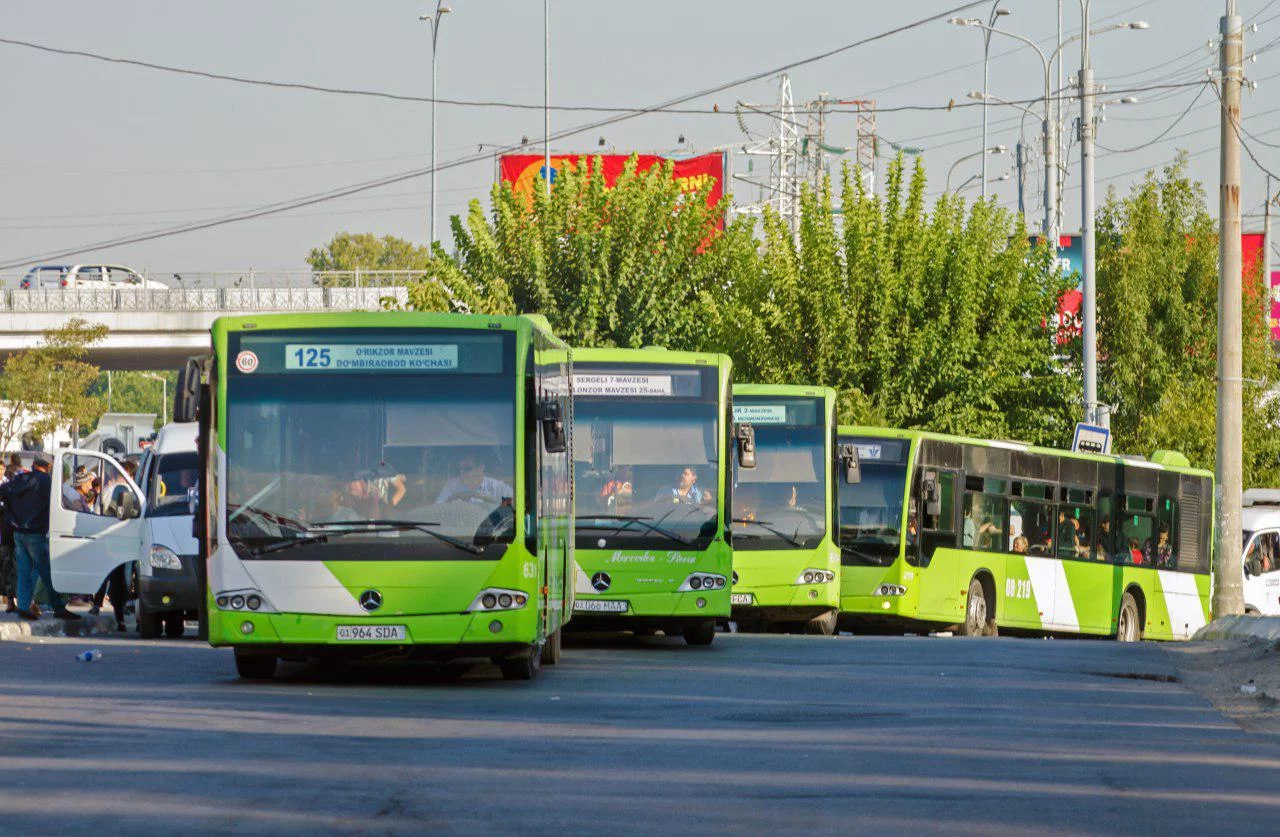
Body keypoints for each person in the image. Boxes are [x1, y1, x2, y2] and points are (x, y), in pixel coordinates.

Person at [0, 454, 79, 622]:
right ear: (48, 467)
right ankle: (58, 607)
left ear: (34, 464)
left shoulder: (20, 479)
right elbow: (63, 505)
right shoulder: (47, 483)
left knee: (24, 570)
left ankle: (23, 606)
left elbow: (4, 491)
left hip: (18, 533)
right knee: (46, 571)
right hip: (36, 533)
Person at [436, 455, 511, 505]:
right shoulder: (451, 486)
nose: (462, 472)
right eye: (460, 469)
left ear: (481, 468)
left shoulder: (499, 488)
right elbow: (438, 509)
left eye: (467, 468)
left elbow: (512, 510)